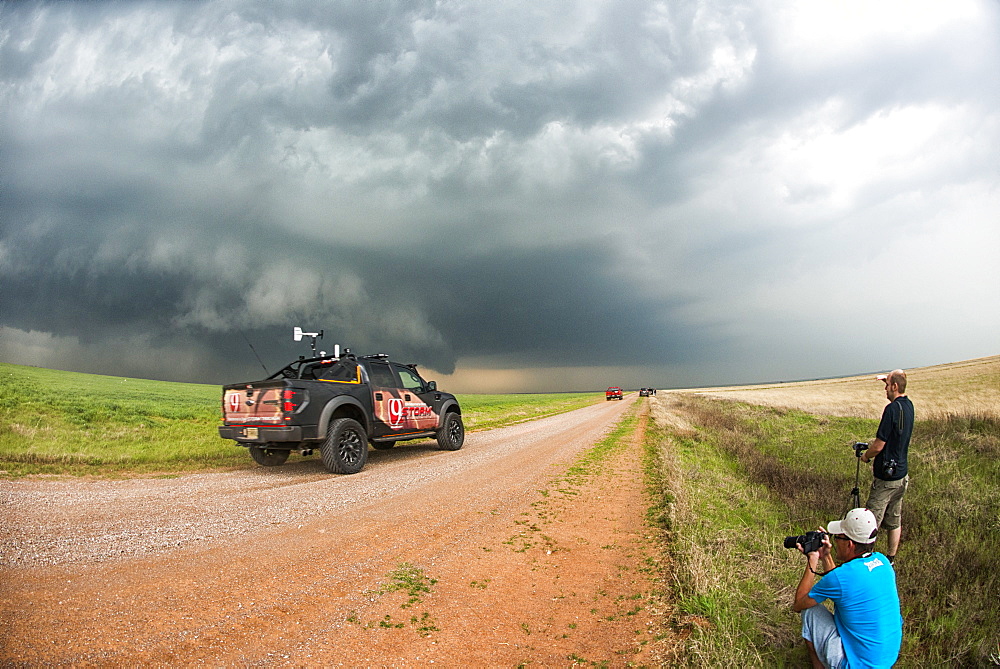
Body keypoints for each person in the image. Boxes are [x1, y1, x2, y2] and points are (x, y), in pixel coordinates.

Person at [793, 508, 903, 668]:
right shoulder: (883, 562)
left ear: (850, 544)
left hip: (856, 665)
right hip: (886, 661)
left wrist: (813, 558)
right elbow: (841, 580)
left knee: (810, 612)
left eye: (838, 537)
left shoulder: (842, 577)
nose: (835, 542)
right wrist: (826, 556)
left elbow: (799, 603)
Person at [861, 369, 914, 562]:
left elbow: (878, 445)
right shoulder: (909, 406)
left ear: (895, 387)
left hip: (886, 479)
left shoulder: (890, 410)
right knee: (894, 520)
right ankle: (890, 559)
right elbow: (901, 377)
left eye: (887, 385)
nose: (885, 389)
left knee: (870, 521)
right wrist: (889, 377)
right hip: (901, 476)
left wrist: (866, 456)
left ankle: (865, 560)